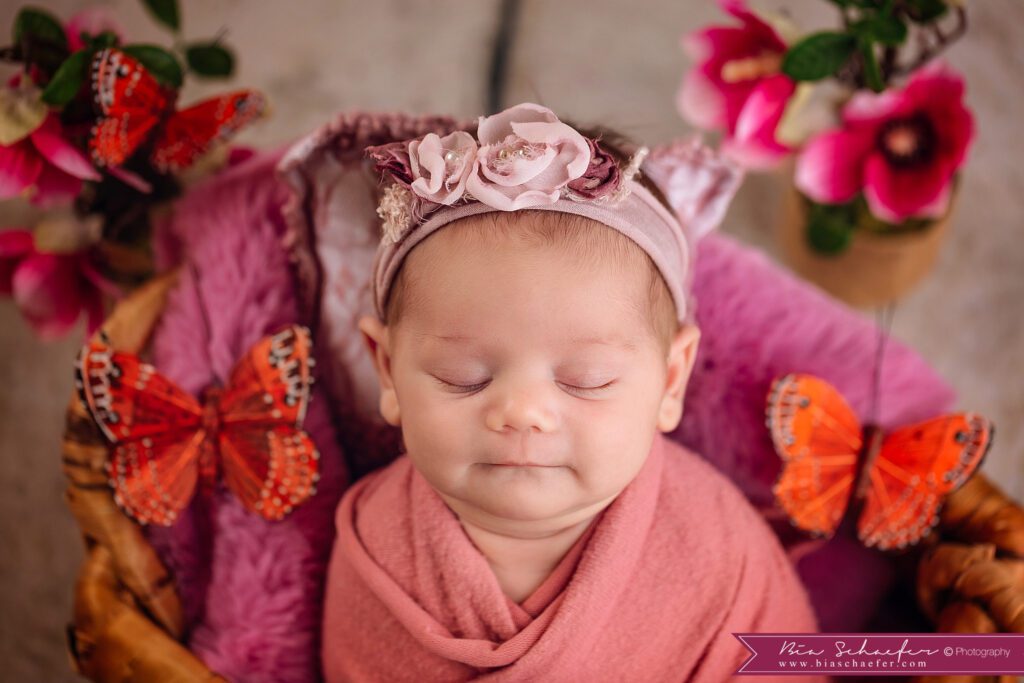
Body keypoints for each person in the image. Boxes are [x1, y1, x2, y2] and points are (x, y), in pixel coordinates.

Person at [321, 102, 825, 682]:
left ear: (669, 379)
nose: (523, 412)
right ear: (387, 370)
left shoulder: (717, 546)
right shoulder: (375, 548)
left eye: (588, 380)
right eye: (464, 376)